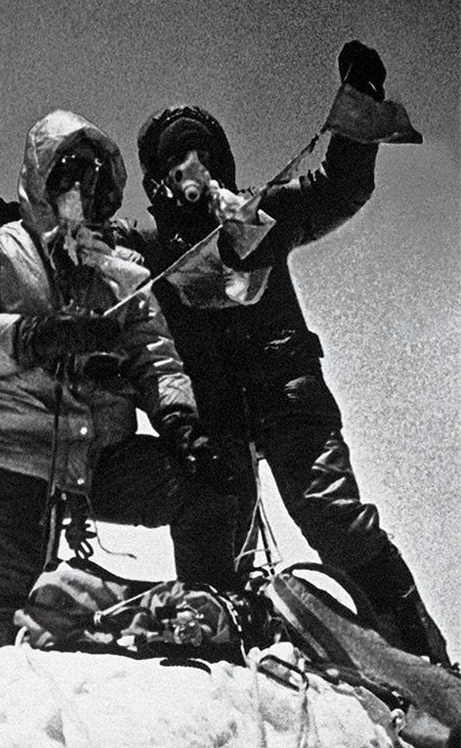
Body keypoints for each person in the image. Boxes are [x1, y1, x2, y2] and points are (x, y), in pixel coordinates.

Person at [129, 40, 450, 665]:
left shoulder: (262, 214)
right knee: (212, 551)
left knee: (334, 519)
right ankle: (221, 671)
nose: (192, 169)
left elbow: (340, 187)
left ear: (221, 162)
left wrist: (360, 108)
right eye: (176, 160)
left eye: (203, 154)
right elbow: (86, 263)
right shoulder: (146, 253)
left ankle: (424, 660)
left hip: (289, 396)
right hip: (211, 423)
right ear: (157, 179)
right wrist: (10, 233)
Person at [0, 109, 238, 651]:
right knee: (8, 603)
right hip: (5, 452)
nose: (80, 187)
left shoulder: (119, 270)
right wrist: (37, 335)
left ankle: (210, 621)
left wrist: (179, 421)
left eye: (94, 176)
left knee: (202, 487)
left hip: (99, 457)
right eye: (67, 169)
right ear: (41, 173)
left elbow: (155, 353)